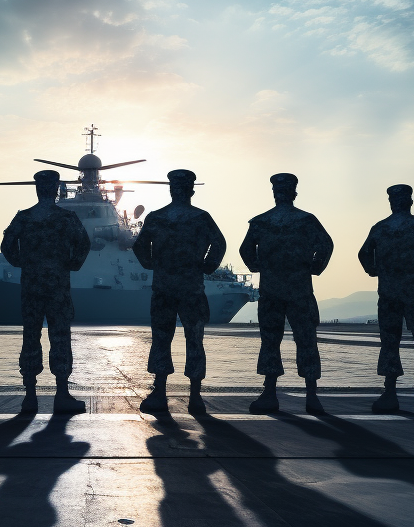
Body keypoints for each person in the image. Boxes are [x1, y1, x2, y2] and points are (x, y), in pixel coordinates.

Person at [132, 169, 226, 415]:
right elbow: (219, 243)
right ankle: (195, 396)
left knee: (161, 339)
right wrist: (207, 266)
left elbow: (140, 246)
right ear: (191, 191)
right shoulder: (201, 218)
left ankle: (160, 392)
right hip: (192, 289)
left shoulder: (156, 217)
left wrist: (152, 264)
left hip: (163, 288)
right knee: (194, 339)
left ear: (171, 189)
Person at [239, 173, 333, 414]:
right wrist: (314, 268)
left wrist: (257, 266)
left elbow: (245, 250)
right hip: (300, 290)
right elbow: (326, 245)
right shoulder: (306, 221)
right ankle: (312, 396)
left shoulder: (261, 222)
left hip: (271, 291)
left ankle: (269, 393)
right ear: (294, 193)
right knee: (307, 341)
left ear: (275, 193)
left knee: (270, 342)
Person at [1, 170, 90, 414]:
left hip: (31, 288)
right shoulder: (66, 218)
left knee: (30, 337)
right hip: (58, 288)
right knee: (60, 337)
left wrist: (22, 263)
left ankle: (30, 396)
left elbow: (6, 244)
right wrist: (72, 264)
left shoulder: (24, 218)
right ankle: (62, 394)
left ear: (38, 188)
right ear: (55, 189)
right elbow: (84, 243)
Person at [358, 184, 414, 415]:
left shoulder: (381, 228)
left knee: (390, 343)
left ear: (392, 203)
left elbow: (364, 254)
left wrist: (374, 270)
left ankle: (390, 393)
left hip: (389, 294)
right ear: (410, 202)